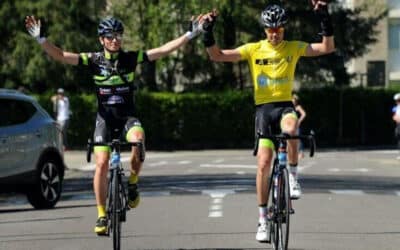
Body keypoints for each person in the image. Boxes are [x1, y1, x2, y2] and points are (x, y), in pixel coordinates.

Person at [25, 14, 205, 235]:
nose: (115, 40)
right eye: (110, 36)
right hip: (104, 119)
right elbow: (61, 56)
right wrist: (41, 40)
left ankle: (132, 182)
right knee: (101, 164)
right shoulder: (93, 60)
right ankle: (102, 215)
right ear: (102, 39)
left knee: (138, 141)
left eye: (118, 36)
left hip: (127, 116)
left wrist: (189, 34)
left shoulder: (130, 58)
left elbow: (162, 50)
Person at [201, 1, 335, 242]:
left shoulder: (293, 48)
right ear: (264, 29)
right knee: (263, 163)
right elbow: (217, 56)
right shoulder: (254, 49)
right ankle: (262, 219)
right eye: (270, 29)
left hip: (284, 106)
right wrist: (208, 32)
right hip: (263, 110)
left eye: (279, 29)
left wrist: (324, 18)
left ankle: (292, 177)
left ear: (284, 29)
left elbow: (326, 47)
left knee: (292, 127)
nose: (274, 34)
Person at [292, 93, 307, 159]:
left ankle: (301, 153)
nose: (293, 101)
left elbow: (304, 114)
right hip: (291, 125)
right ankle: (293, 153)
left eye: (294, 100)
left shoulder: (298, 107)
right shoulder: (290, 108)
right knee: (291, 139)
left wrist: (299, 121)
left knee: (298, 139)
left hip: (296, 125)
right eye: (292, 100)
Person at [392, 93, 400, 159]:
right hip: (398, 125)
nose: (397, 102)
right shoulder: (397, 107)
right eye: (396, 100)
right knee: (398, 136)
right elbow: (395, 115)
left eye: (398, 100)